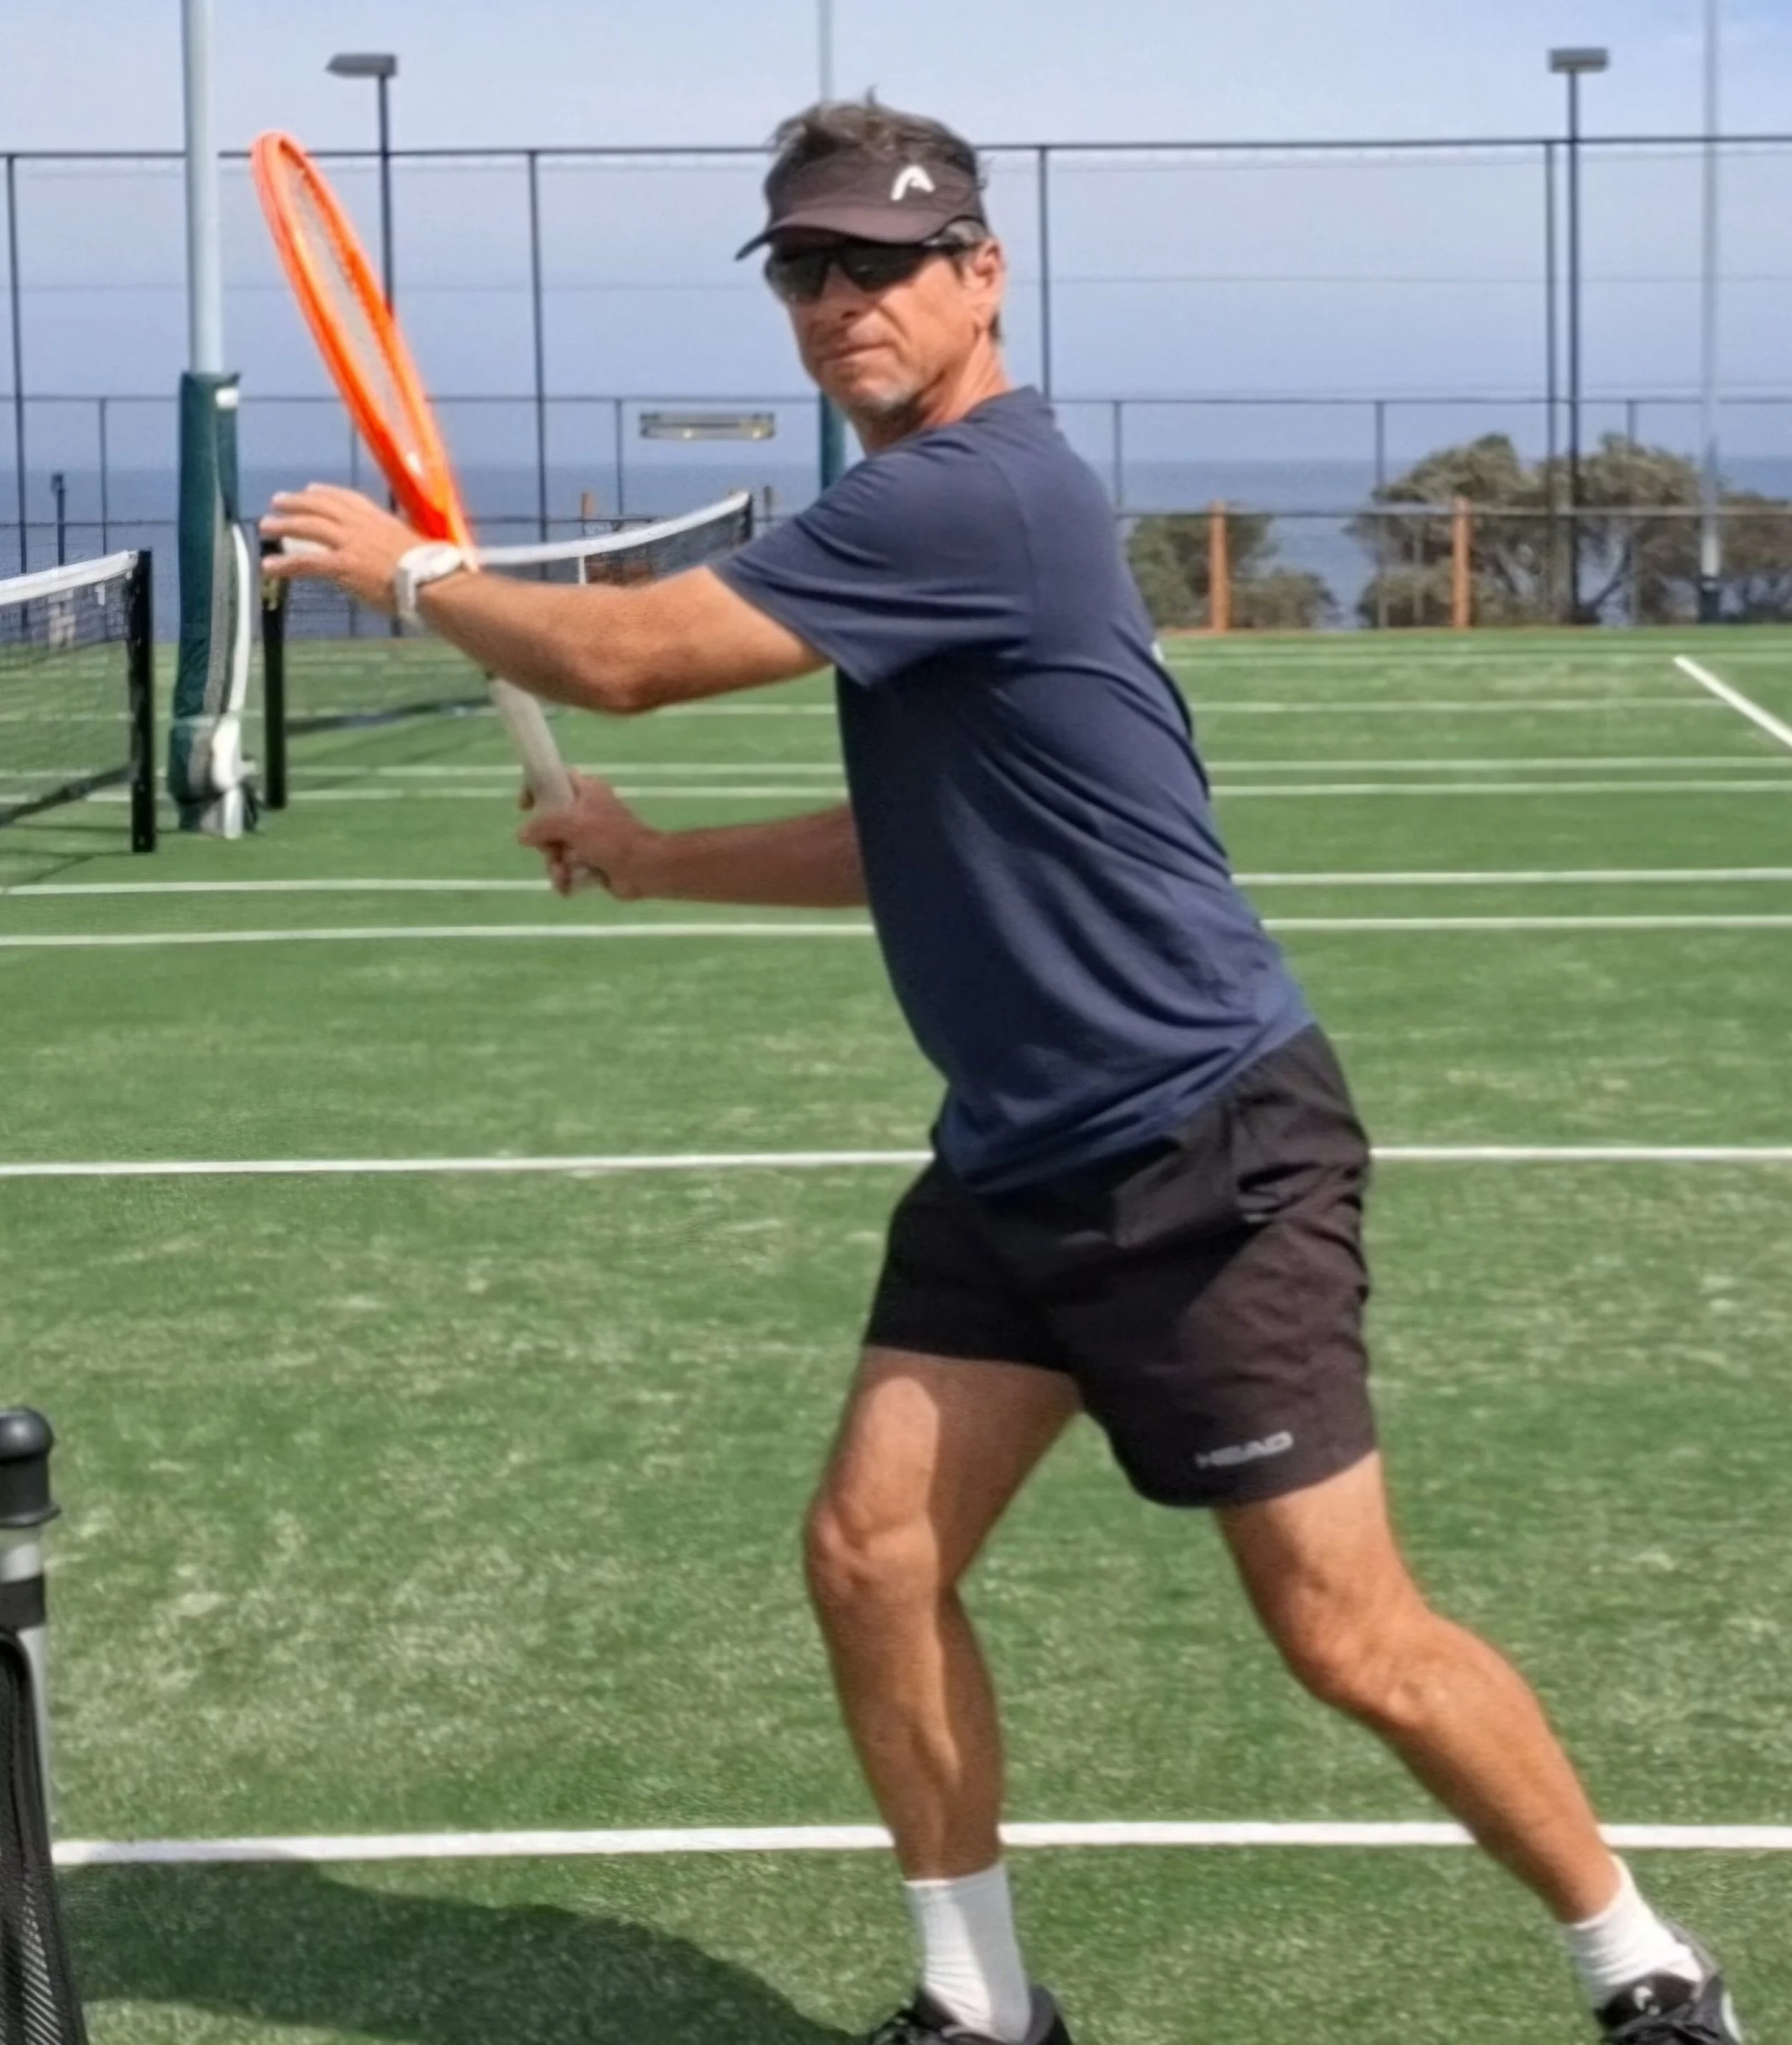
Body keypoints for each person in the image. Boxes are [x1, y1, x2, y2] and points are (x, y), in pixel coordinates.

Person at [263, 97, 1745, 2045]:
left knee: (1346, 1633)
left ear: (982, 275)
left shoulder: (973, 494)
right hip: (1018, 1155)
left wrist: (409, 573)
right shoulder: (922, 516)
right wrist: (658, 857)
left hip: (1203, 1144)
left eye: (884, 262)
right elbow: (914, 839)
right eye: (807, 269)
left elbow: (629, 658)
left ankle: (1646, 1967)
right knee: (871, 1553)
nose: (841, 300)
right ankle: (979, 2005)